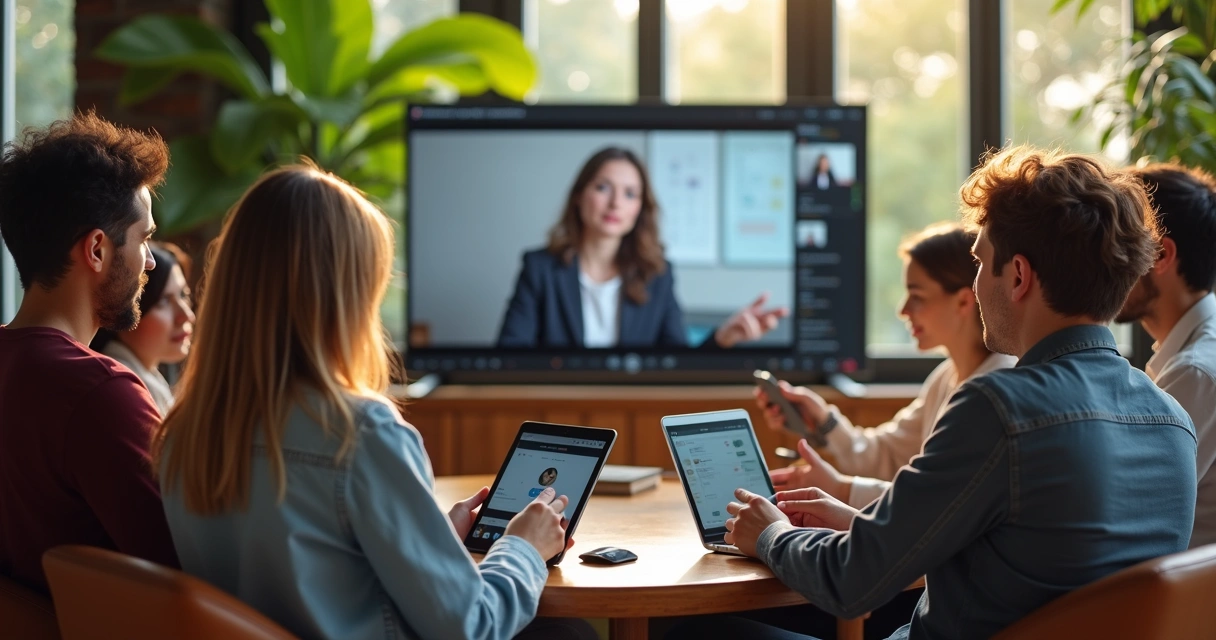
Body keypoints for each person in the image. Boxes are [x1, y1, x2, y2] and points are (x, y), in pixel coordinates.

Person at [712, 146, 1197, 639]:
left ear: (1019, 276)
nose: (978, 285)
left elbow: (850, 584)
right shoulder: (1174, 421)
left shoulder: (999, 408)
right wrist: (862, 521)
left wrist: (769, 534)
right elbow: (1029, 552)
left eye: (981, 264)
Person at [157, 165, 588, 640]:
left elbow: (326, 565)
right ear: (346, 297)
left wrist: (434, 537)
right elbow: (472, 628)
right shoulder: (362, 433)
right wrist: (522, 547)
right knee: (568, 633)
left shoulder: (184, 431)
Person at [0, 112, 179, 591]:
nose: (148, 262)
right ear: (97, 250)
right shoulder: (99, 391)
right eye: (144, 239)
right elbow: (182, 563)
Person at [756, 223, 1015, 509]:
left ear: (964, 300)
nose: (903, 310)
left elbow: (939, 501)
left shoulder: (995, 387)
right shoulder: (946, 378)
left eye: (917, 296)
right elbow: (885, 454)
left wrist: (841, 489)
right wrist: (822, 421)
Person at [497, 146, 787, 349]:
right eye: (602, 188)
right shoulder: (539, 268)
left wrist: (722, 338)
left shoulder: (657, 274)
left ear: (640, 208)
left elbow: (677, 368)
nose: (615, 203)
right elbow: (509, 357)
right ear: (579, 196)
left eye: (630, 194)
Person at [1115, 163, 1216, 548]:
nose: (1102, 264)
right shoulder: (1187, 357)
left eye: (1116, 246)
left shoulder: (1195, 373)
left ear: (1159, 256)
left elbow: (1131, 516)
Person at [90, 242, 195, 416]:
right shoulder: (122, 392)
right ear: (125, 311)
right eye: (163, 301)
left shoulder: (149, 382)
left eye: (184, 295)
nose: (186, 315)